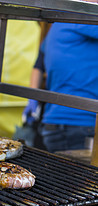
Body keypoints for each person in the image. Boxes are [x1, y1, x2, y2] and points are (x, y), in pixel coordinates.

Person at [22, 21, 98, 152]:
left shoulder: (59, 24)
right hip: (80, 123)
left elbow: (38, 65)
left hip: (54, 122)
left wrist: (32, 99)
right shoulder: (85, 20)